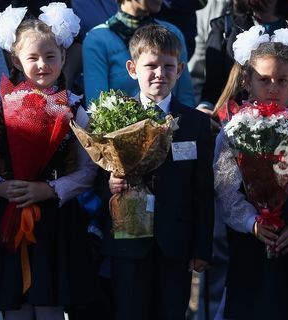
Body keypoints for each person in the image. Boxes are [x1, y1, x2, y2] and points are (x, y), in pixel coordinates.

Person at [0, 4, 101, 319]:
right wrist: (1, 187)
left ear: (63, 56)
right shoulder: (1, 108)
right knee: (16, 304)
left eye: (50, 57)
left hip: (56, 221)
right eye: (33, 58)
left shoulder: (76, 109)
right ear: (15, 60)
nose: (43, 65)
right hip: (12, 213)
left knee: (49, 304)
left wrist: (50, 190)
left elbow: (88, 170)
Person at [213, 25, 288, 319]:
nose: (273, 88)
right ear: (248, 81)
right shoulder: (233, 128)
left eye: (282, 80)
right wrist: (252, 222)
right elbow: (226, 188)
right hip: (251, 242)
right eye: (264, 80)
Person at [102, 24, 214, 320]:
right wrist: (110, 182)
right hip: (129, 239)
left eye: (168, 66)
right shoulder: (114, 117)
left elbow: (203, 189)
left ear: (180, 70)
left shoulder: (195, 123)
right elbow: (96, 175)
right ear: (132, 68)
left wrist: (202, 246)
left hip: (174, 242)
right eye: (150, 65)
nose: (159, 74)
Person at [200, 0, 288, 115]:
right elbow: (212, 90)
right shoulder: (224, 27)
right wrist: (205, 109)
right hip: (240, 122)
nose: (273, 87)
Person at [82, 0, 195, 107]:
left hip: (174, 124)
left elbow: (186, 99)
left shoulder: (173, 34)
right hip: (121, 127)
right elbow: (97, 108)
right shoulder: (97, 39)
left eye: (168, 66)